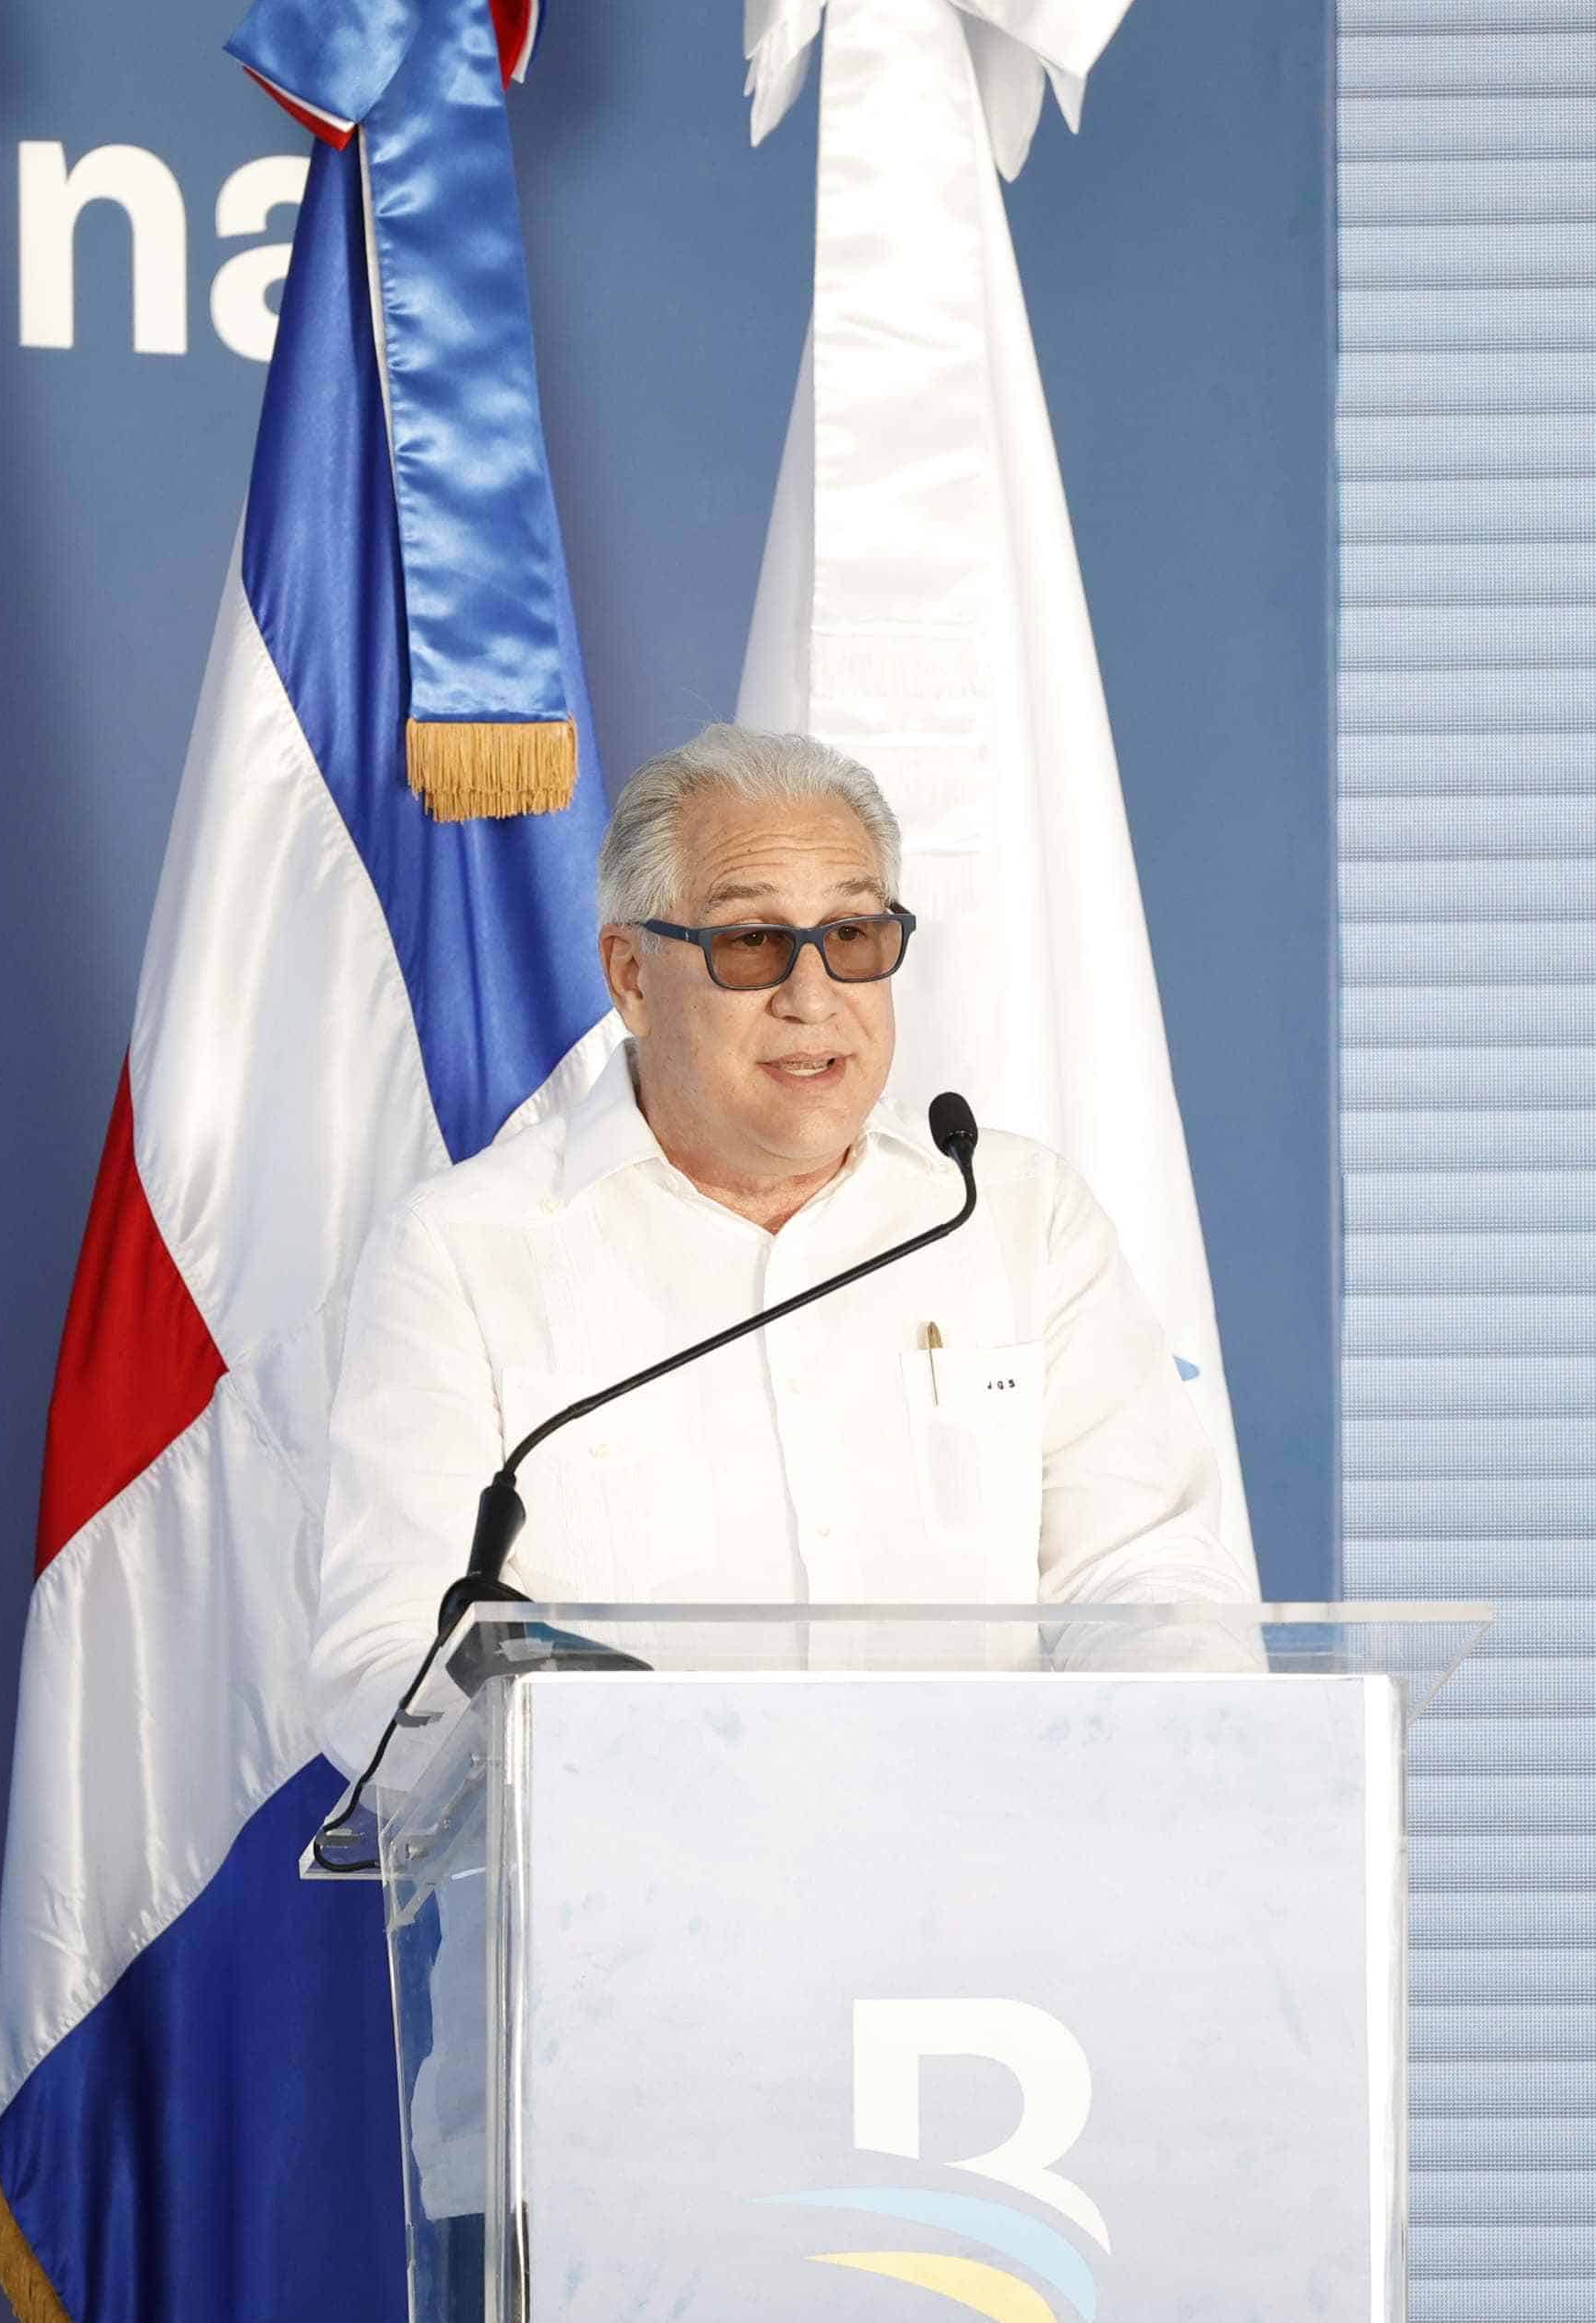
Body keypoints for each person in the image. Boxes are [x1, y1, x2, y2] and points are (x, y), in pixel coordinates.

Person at [311, 725, 1256, 1775]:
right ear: (630, 976)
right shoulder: (461, 1255)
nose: (813, 996)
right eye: (752, 941)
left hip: (991, 1879)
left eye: (852, 935)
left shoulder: (1016, 1213)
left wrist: (1179, 1745)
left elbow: (1144, 1569)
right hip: (628, 1904)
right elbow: (384, 1658)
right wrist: (581, 1763)